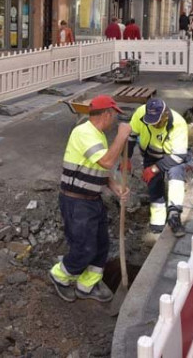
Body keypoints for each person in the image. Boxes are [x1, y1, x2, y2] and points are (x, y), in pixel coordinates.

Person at [49, 95, 131, 303]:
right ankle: (60, 275)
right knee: (84, 247)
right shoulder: (83, 132)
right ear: (106, 114)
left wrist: (115, 187)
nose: (114, 120)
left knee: (101, 243)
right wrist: (122, 136)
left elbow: (99, 169)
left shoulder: (98, 135)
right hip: (76, 201)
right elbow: (106, 161)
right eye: (113, 116)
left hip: (91, 199)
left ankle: (87, 284)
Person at [125, 98, 192, 237]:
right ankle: (157, 223)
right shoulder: (140, 113)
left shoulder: (178, 123)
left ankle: (174, 216)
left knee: (176, 176)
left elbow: (179, 156)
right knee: (154, 185)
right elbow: (131, 136)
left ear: (165, 115)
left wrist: (155, 168)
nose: (153, 125)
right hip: (150, 154)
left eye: (156, 121)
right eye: (150, 121)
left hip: (172, 156)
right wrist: (126, 157)